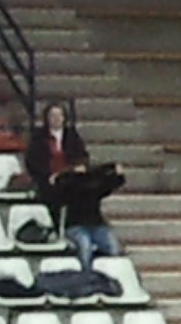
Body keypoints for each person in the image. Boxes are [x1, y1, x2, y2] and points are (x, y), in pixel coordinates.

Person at [24, 100, 124, 269]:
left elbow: (107, 184)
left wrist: (117, 174)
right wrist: (53, 177)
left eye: (59, 115)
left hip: (95, 223)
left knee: (112, 246)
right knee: (84, 245)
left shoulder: (74, 140)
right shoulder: (38, 140)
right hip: (63, 203)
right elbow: (34, 163)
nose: (56, 119)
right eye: (52, 115)